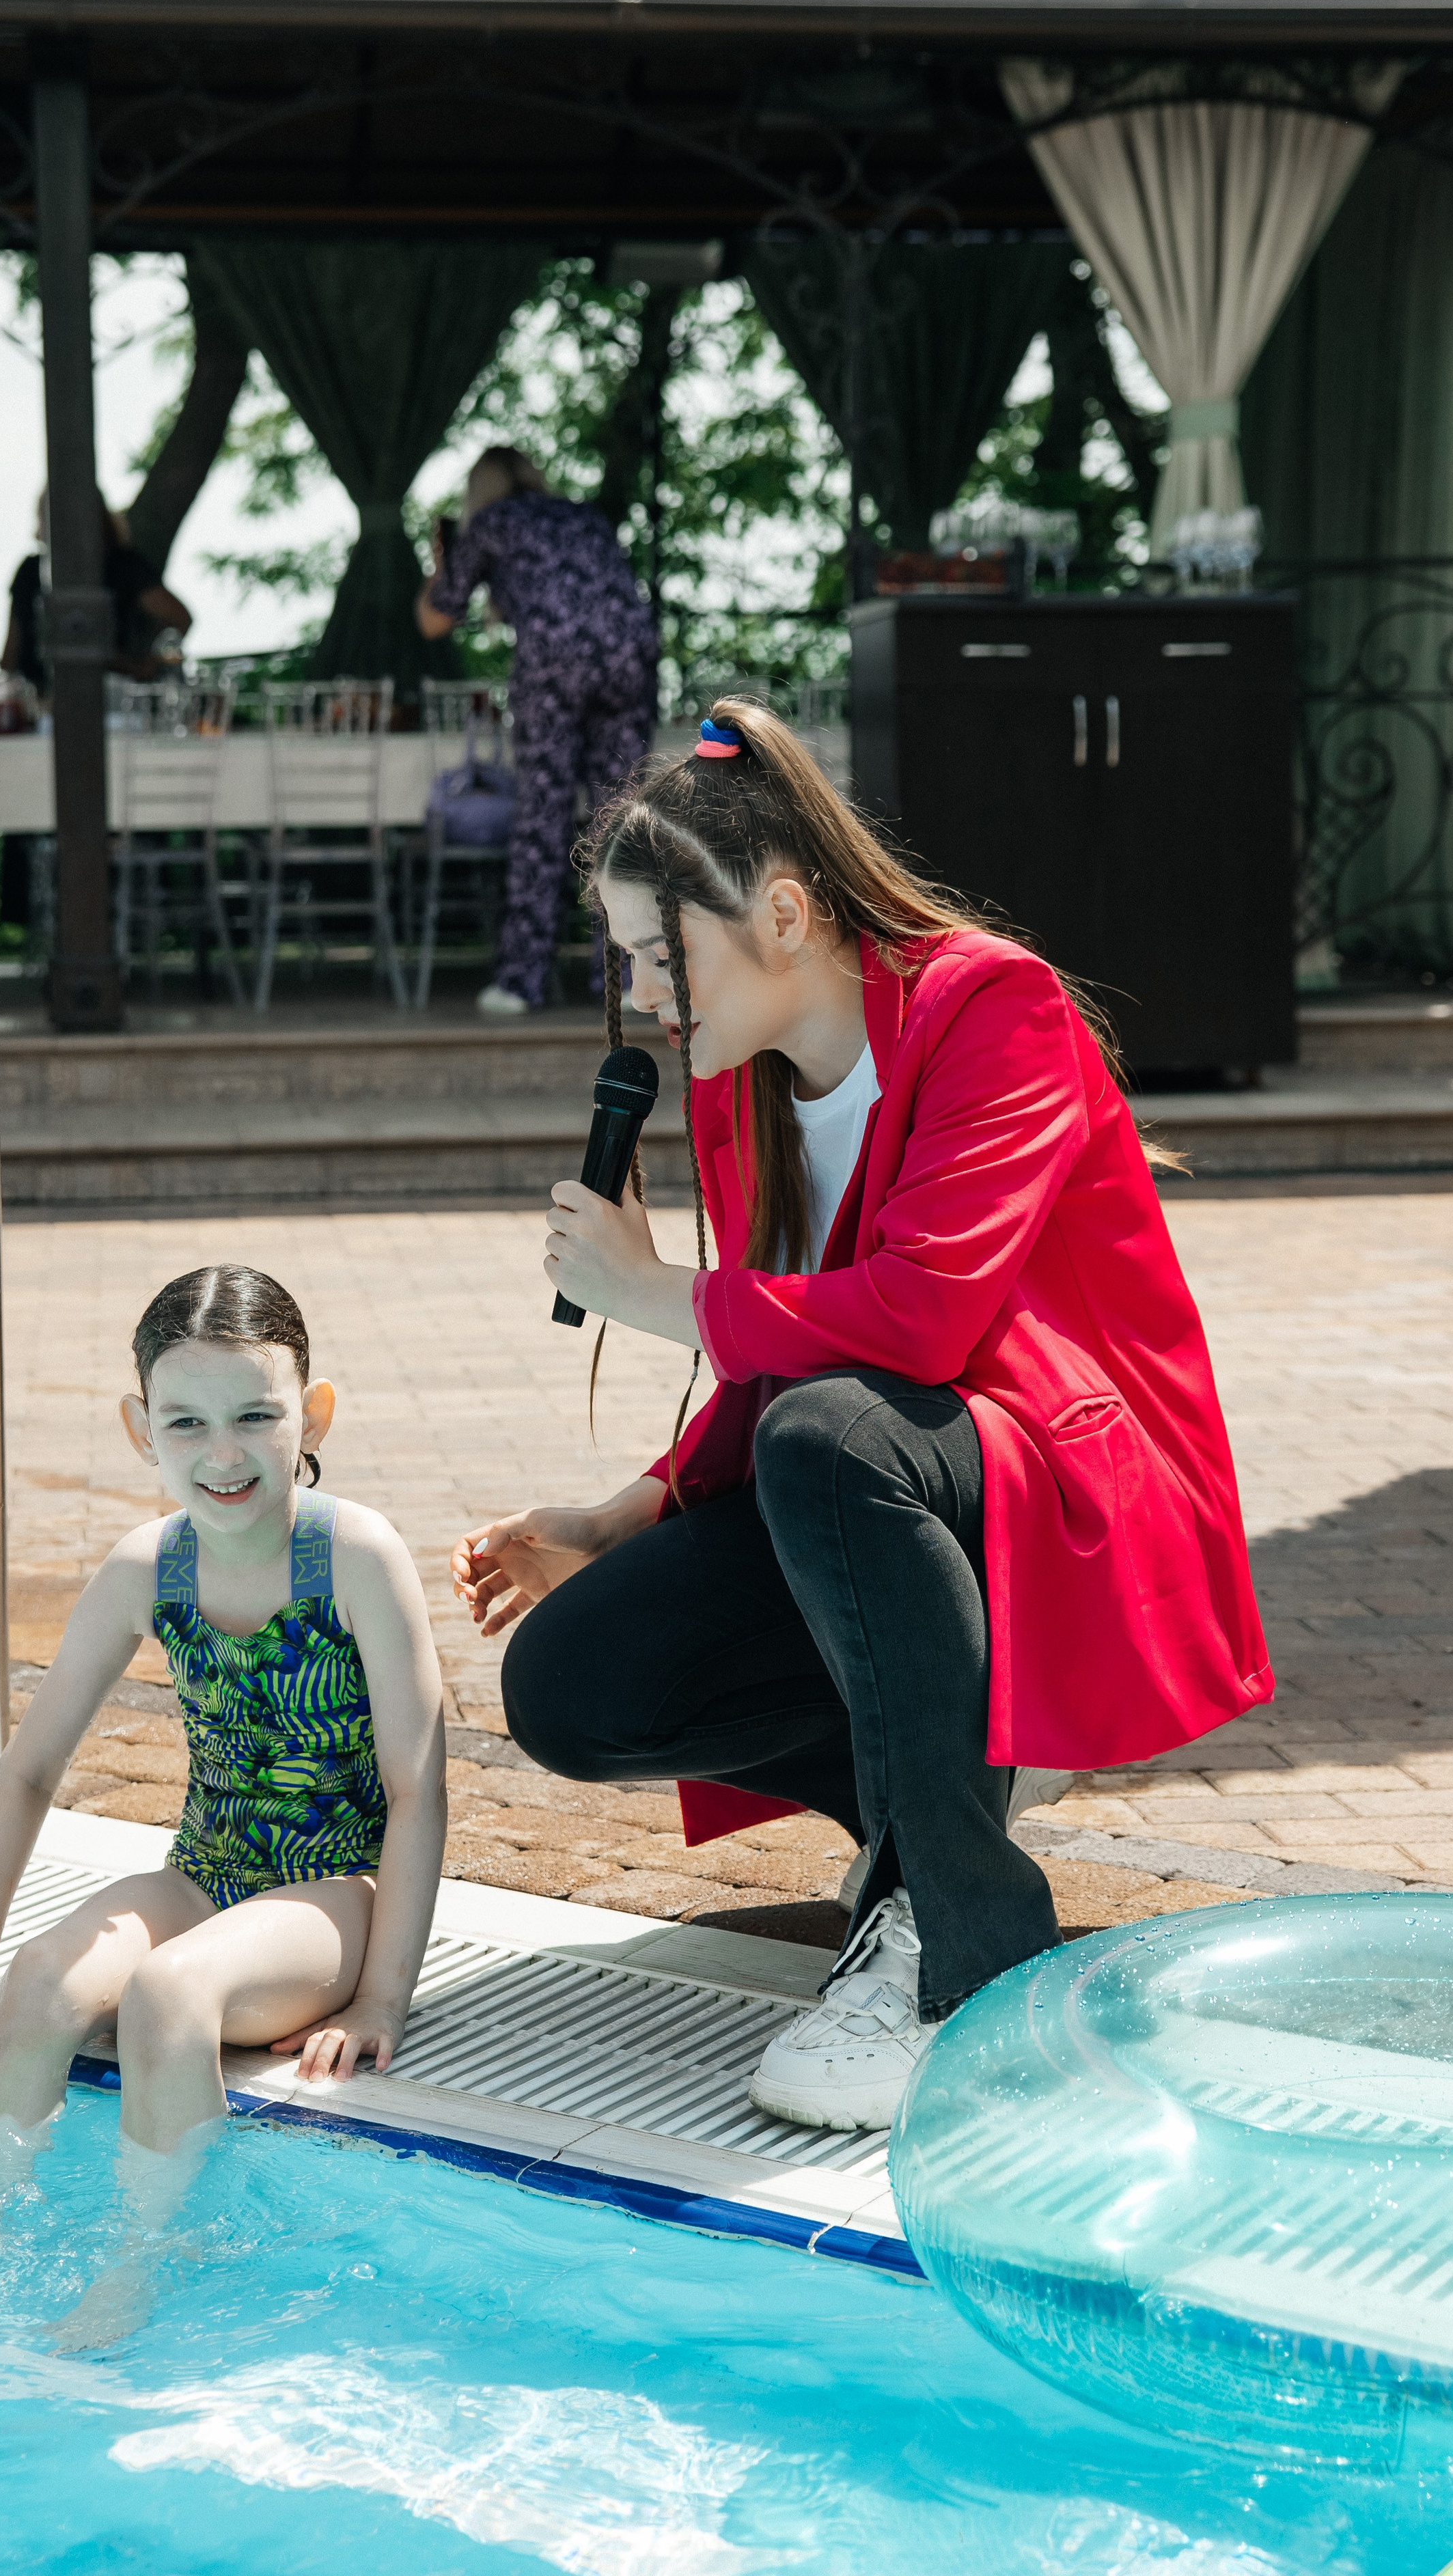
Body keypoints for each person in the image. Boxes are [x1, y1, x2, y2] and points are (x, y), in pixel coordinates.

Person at [452, 701, 1271, 2137]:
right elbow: (786, 1354)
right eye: (635, 967)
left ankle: (954, 1941)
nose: (652, 1000)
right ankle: (924, 1823)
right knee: (571, 1686)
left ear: (778, 912)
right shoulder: (744, 1083)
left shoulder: (989, 1008)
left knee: (827, 1440)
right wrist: (624, 1511)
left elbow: (917, 1321)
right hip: (896, 1484)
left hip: (1069, 1504)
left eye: (666, 959)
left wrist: (650, 1293)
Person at [0, 1263, 446, 2342]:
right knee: (44, 1975)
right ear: (141, 1427)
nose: (223, 1453)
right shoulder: (149, 1568)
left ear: (313, 1413)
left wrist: (383, 1998)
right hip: (205, 1870)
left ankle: (142, 2272)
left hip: (337, 1888)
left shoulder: (357, 1558)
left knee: (167, 1993)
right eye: (186, 1423)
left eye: (256, 1416)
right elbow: (30, 1771)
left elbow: (419, 1786)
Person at [417, 445, 659, 1019]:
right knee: (622, 820)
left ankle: (522, 980)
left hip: (554, 663)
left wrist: (442, 559)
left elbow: (435, 619)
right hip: (631, 655)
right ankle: (631, 976)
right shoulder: (584, 517)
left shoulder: (491, 522)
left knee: (542, 821)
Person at [2, 492, 193, 698]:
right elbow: (10, 657)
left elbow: (178, 617)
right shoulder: (31, 572)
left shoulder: (123, 567)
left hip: (117, 702)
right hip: (42, 705)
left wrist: (146, 664)